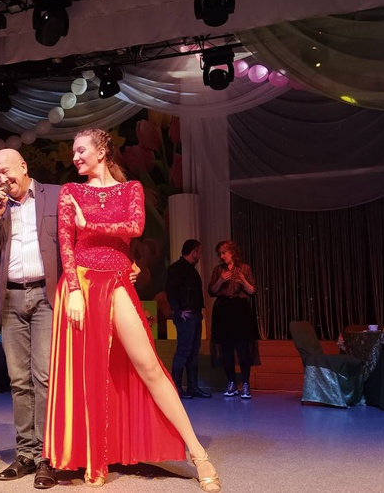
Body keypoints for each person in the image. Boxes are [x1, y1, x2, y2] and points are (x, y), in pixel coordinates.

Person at [45, 128, 220, 491]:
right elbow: (66, 245)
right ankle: (93, 457)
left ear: (101, 152)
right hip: (80, 284)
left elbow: (135, 226)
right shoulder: (70, 192)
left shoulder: (132, 190)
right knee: (88, 374)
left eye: (81, 150)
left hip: (116, 280)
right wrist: (73, 290)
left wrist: (89, 223)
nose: (75, 157)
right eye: (74, 152)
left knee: (149, 366)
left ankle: (198, 452)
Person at [0, 148, 61, 488]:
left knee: (43, 377)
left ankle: (46, 457)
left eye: (6, 171)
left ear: (23, 167)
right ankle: (25, 453)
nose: (2, 179)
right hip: (11, 298)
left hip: (46, 296)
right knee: (18, 380)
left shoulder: (55, 195)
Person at [208, 240, 257, 400]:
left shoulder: (245, 268)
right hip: (223, 310)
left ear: (232, 252)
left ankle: (246, 384)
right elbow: (211, 291)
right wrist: (220, 280)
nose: (222, 256)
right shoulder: (218, 270)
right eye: (220, 253)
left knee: (243, 349)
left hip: (240, 310)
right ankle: (231, 382)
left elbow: (252, 291)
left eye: (224, 252)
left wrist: (243, 281)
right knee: (226, 350)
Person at [165, 239, 210, 399]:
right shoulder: (177, 269)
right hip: (186, 315)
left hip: (194, 314)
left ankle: (193, 386)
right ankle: (177, 387)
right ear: (194, 252)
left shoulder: (191, 270)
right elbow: (171, 291)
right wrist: (178, 311)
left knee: (193, 352)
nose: (200, 255)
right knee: (184, 351)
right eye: (199, 252)